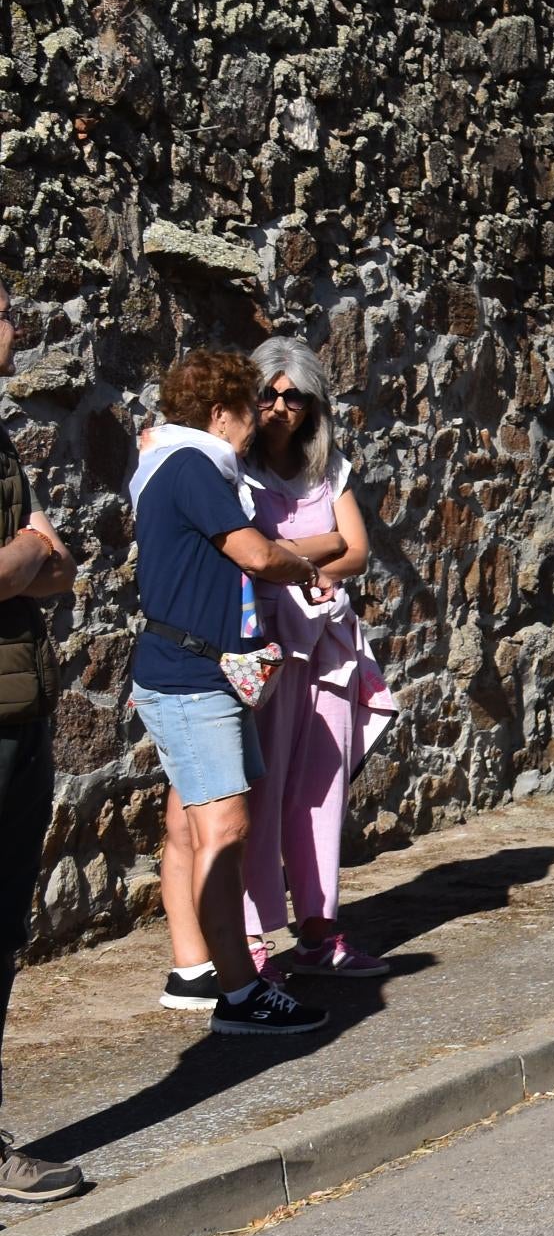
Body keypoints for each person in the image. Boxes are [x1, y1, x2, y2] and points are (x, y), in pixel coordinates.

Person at [131, 349, 328, 1037]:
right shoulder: (193, 465)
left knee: (192, 823)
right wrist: (303, 566)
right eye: (251, 408)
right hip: (193, 678)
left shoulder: (175, 463)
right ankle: (241, 995)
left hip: (194, 670)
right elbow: (252, 551)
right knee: (224, 829)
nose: (260, 422)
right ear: (220, 413)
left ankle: (194, 971)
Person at [240, 337, 394, 978]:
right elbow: (254, 549)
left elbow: (358, 552)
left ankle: (320, 929)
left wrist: (300, 550)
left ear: (312, 405)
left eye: (294, 396)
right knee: (260, 790)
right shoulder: (235, 468)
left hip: (326, 646)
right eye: (270, 394)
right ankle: (248, 941)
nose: (281, 407)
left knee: (320, 789)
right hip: (266, 646)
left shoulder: (328, 470)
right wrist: (321, 544)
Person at [0, 283, 82, 1204]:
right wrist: (23, 560)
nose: (18, 328)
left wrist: (32, 563)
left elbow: (60, 568)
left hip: (20, 712)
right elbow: (34, 560)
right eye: (5, 312)